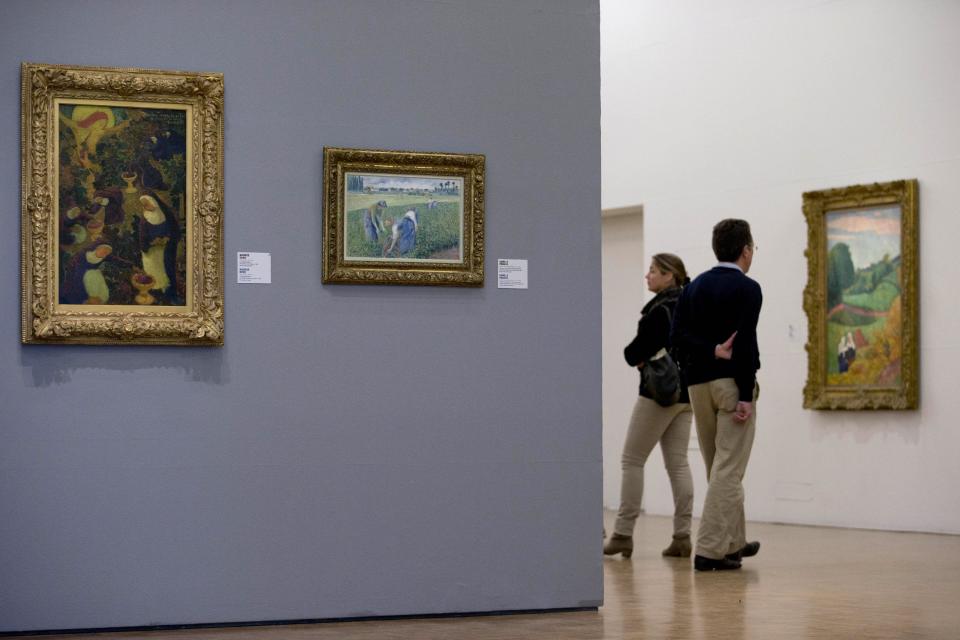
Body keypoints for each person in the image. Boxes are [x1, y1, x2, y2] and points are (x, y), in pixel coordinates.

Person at [672, 219, 762, 571]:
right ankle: (709, 549)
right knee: (728, 468)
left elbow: (676, 338)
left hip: (697, 387)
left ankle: (733, 542)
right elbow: (747, 345)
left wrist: (710, 349)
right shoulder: (748, 289)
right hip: (730, 387)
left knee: (719, 467)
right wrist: (745, 394)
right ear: (746, 250)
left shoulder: (692, 288)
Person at [604, 253, 694, 559]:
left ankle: (622, 534)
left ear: (670, 276)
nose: (647, 276)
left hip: (658, 395)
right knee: (678, 464)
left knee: (632, 460)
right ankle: (682, 536)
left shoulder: (659, 311)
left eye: (653, 271)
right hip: (687, 396)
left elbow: (632, 352)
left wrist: (639, 356)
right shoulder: (691, 305)